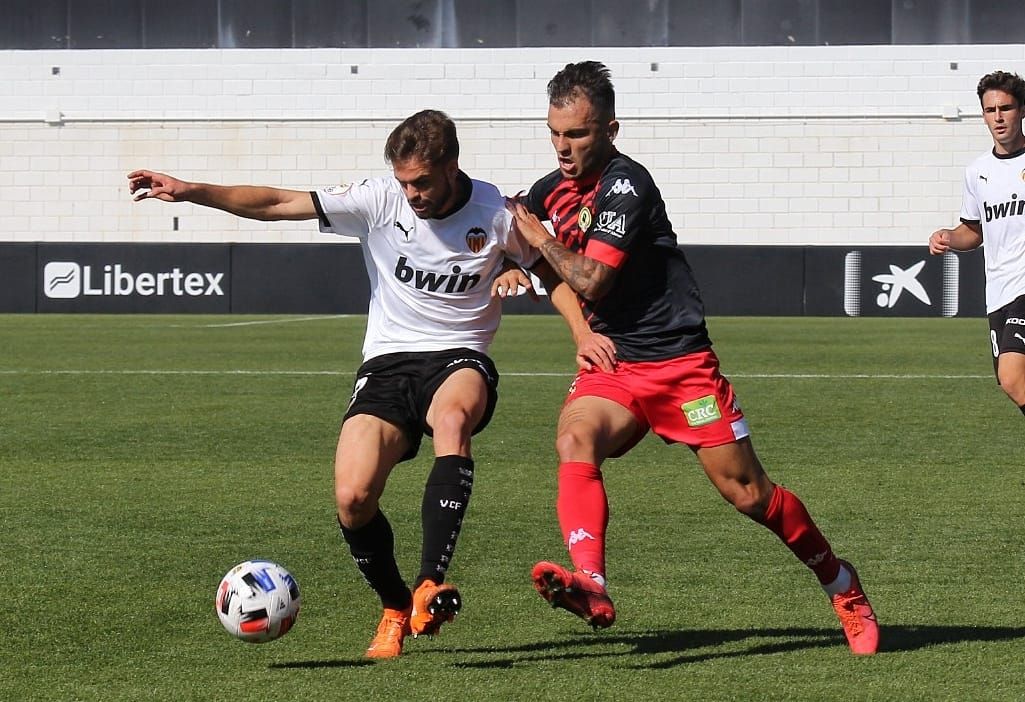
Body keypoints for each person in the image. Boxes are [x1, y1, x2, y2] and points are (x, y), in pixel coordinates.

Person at [128, 110, 539, 659]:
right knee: (352, 498)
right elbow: (278, 204)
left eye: (421, 181)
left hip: (460, 356)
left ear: (451, 166)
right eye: (403, 182)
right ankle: (396, 606)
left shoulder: (498, 211)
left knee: (453, 419)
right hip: (387, 365)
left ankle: (428, 584)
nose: (411, 194)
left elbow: (549, 264)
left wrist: (520, 268)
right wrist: (192, 191)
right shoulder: (379, 198)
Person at [508, 61, 880, 655]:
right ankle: (593, 583)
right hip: (617, 366)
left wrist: (539, 242)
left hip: (682, 366)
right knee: (574, 440)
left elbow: (590, 276)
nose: (563, 147)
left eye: (577, 134)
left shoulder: (627, 185)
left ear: (610, 130)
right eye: (554, 133)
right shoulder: (547, 192)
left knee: (749, 495)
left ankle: (841, 583)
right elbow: (529, 263)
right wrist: (576, 328)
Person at [929, 70, 1025, 416]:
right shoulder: (977, 171)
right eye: (990, 110)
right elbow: (973, 231)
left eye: (1007, 108)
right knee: (1009, 382)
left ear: (1022, 110)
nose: (998, 117)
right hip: (998, 291)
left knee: (1013, 378)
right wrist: (948, 237)